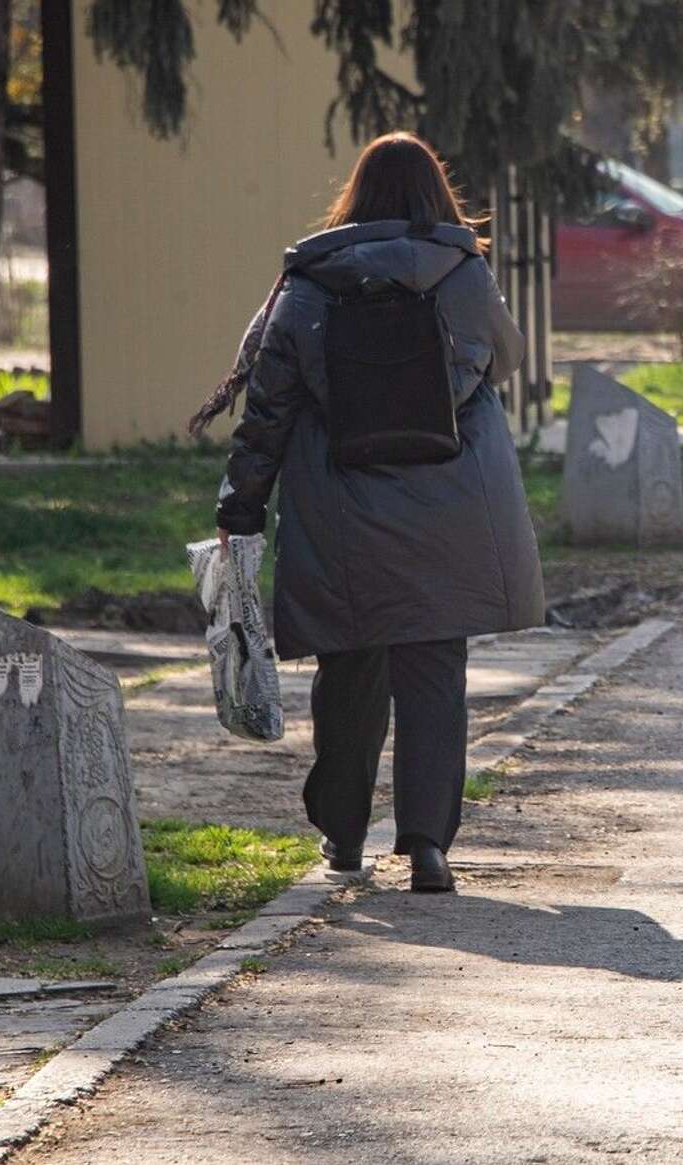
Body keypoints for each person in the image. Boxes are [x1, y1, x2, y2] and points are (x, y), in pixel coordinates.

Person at [202, 132, 545, 893]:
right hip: (448, 507)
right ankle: (427, 845)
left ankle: (344, 835)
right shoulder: (463, 270)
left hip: (341, 507)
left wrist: (242, 507)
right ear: (436, 195)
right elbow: (509, 356)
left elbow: (268, 409)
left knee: (350, 668)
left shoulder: (310, 280)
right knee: (432, 672)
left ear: (354, 193)